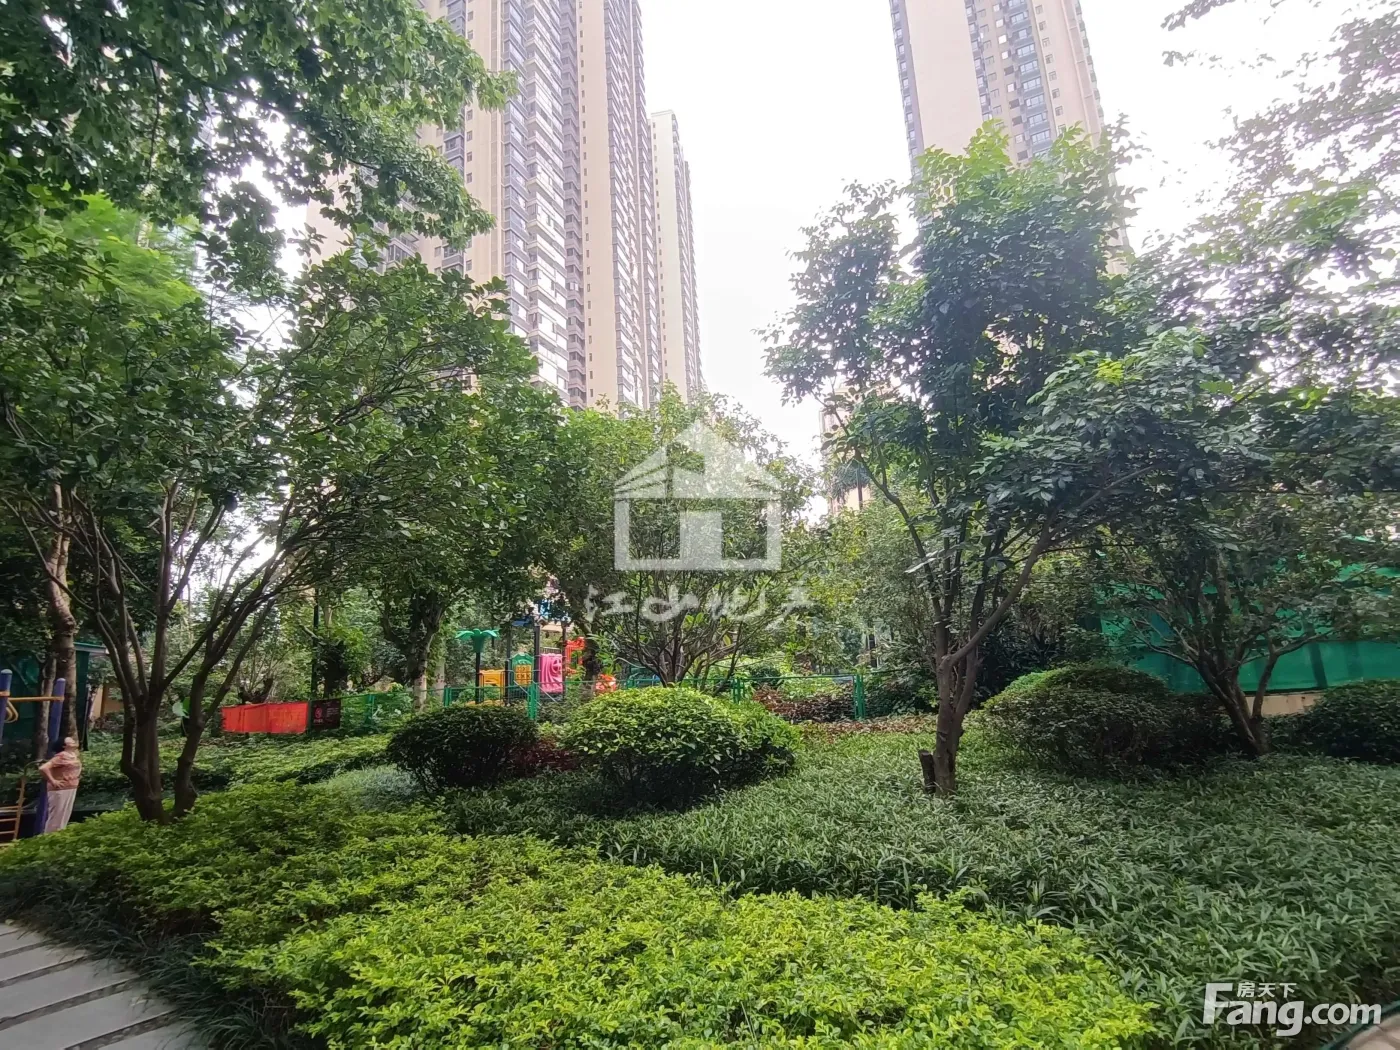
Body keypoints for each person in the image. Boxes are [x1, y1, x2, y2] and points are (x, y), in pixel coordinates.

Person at [38, 736, 82, 833]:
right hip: (60, 789)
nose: (73, 741)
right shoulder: (61, 756)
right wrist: (53, 781)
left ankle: (60, 834)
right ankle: (50, 836)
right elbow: (43, 768)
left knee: (65, 814)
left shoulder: (74, 755)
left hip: (71, 787)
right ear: (64, 745)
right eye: (70, 741)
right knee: (57, 815)